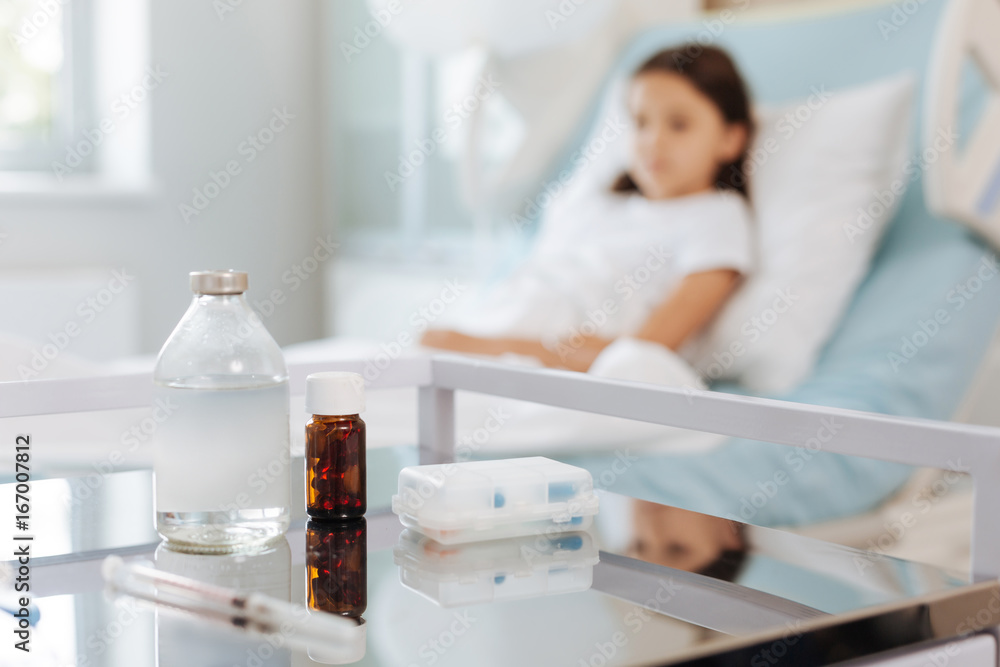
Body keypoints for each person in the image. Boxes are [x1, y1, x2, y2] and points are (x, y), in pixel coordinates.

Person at [422, 45, 755, 372]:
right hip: (485, 333)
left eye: (679, 124)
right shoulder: (599, 206)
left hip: (531, 365)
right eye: (641, 122)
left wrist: (481, 347)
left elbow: (643, 354)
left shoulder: (717, 216)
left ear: (731, 138)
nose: (654, 140)